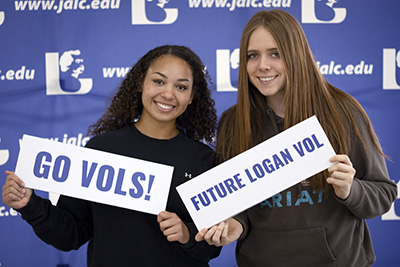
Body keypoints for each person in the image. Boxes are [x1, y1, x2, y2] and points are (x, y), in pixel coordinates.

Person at [195, 10, 397, 267]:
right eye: (252, 56)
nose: (263, 65)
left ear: (296, 55)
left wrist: (350, 189)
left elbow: (383, 194)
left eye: (275, 53)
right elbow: (238, 205)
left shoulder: (342, 111)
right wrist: (235, 225)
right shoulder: (234, 123)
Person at [3, 45, 221, 267]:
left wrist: (186, 234)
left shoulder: (203, 160)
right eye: (158, 81)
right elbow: (72, 233)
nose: (167, 93)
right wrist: (29, 204)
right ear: (140, 83)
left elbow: (212, 247)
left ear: (192, 96)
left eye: (181, 87)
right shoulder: (102, 149)